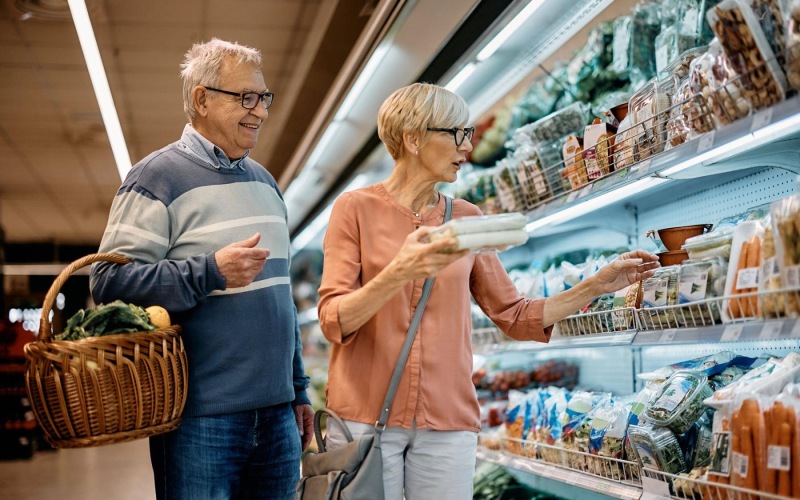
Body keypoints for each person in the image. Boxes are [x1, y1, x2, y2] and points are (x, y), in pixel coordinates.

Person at [316, 82, 659, 500]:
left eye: (469, 132)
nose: (468, 145)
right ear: (412, 138)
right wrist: (398, 272)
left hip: (446, 419)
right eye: (456, 133)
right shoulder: (355, 209)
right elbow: (334, 319)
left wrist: (593, 286)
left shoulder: (465, 217)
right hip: (365, 420)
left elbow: (514, 315)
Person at [90, 38, 313, 500]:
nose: (260, 111)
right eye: (246, 97)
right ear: (202, 99)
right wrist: (209, 272)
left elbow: (281, 300)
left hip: (277, 416)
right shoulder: (154, 179)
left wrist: (298, 389)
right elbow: (109, 284)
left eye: (264, 98)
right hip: (199, 418)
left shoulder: (267, 184)